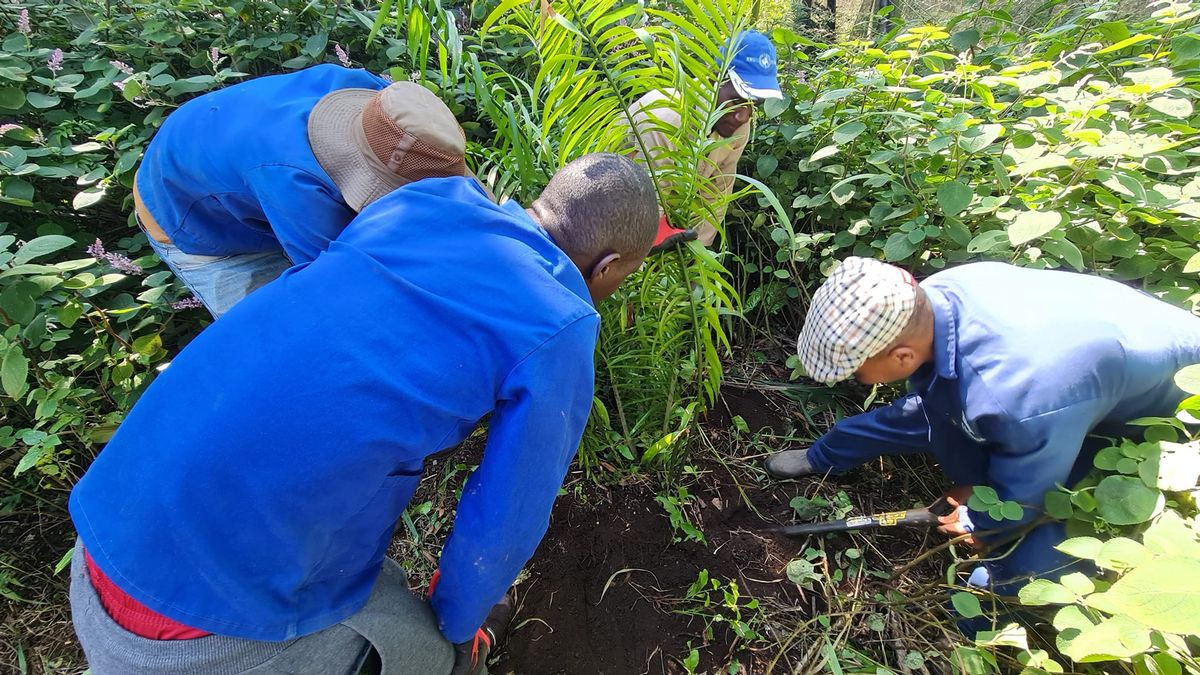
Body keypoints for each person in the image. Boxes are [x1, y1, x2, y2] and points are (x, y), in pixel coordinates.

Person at [68, 153, 659, 674]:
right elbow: (507, 517)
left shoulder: (432, 200)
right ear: (607, 266)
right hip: (201, 625)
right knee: (437, 656)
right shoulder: (560, 319)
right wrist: (459, 623)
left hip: (108, 524)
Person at [764, 257, 1200, 599]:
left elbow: (1029, 494)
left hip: (1157, 416)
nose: (857, 378)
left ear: (900, 357)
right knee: (922, 416)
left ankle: (987, 617)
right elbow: (944, 400)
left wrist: (980, 518)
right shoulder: (934, 299)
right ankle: (824, 456)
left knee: (1031, 553)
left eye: (858, 371)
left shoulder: (1014, 394)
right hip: (1074, 385)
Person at [133, 63, 469, 317]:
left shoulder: (383, 103)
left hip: (231, 153)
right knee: (282, 331)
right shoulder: (295, 182)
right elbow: (338, 283)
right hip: (192, 211)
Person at [626, 30, 783, 253]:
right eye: (736, 100)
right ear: (714, 78)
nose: (744, 116)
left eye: (754, 104)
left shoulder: (739, 124)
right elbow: (645, 207)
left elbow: (716, 195)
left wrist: (698, 260)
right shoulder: (666, 116)